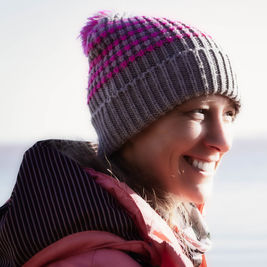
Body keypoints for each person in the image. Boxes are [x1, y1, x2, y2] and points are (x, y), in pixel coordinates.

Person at [0, 11, 240, 267]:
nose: (223, 142)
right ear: (131, 125)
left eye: (229, 114)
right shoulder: (101, 259)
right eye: (199, 112)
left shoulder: (137, 230)